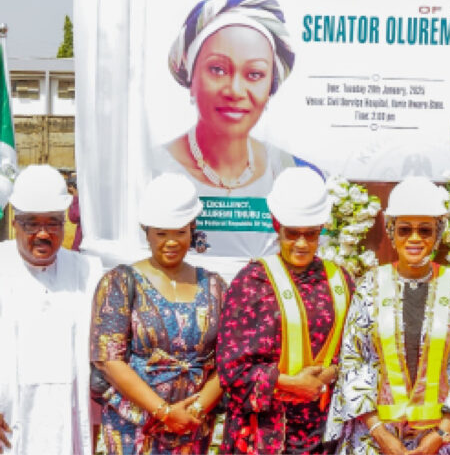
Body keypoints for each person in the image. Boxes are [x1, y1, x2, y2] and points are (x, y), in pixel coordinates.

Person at [325, 176, 450, 454]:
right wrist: (382, 436)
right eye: (405, 230)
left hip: (442, 442)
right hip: (375, 440)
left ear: (438, 233)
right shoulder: (370, 287)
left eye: (425, 230)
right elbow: (353, 362)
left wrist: (440, 434)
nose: (414, 239)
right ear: (391, 231)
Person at [156, 0, 318, 257]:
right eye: (217, 69)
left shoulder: (292, 171)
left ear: (271, 87)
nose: (235, 90)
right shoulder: (154, 168)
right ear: (190, 76)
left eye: (255, 74)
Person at [217, 167, 353, 454]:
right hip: (264, 432)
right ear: (276, 224)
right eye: (293, 234)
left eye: (311, 234)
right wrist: (291, 383)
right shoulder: (253, 283)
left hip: (323, 432)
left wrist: (327, 376)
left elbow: (359, 352)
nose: (302, 244)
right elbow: (230, 369)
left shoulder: (340, 280)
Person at [90, 173, 226, 454]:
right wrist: (164, 411)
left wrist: (196, 410)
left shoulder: (214, 286)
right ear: (146, 231)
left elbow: (229, 358)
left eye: (180, 232)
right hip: (135, 426)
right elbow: (108, 360)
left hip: (193, 424)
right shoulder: (120, 282)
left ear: (192, 229)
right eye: (161, 233)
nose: (171, 242)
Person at [0, 165, 102, 455]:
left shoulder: (87, 270)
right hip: (10, 419)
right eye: (31, 223)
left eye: (53, 223)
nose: (43, 234)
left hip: (68, 418)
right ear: (15, 224)